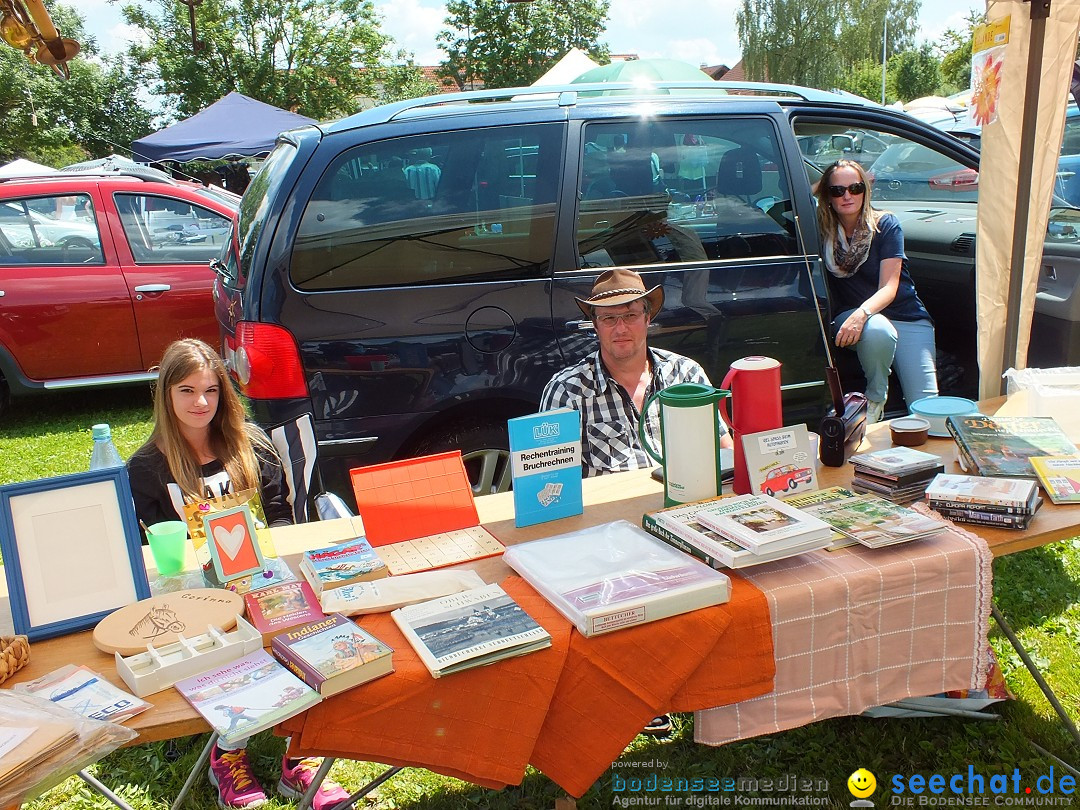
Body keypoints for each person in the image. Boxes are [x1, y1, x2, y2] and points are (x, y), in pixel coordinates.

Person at [126, 339, 348, 810]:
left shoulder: (251, 444)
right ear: (165, 394)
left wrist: (276, 573)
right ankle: (229, 752)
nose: (201, 403)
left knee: (309, 626)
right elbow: (148, 552)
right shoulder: (146, 467)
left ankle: (299, 752)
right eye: (187, 391)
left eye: (211, 390)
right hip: (199, 593)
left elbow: (281, 518)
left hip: (264, 575)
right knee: (228, 636)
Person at [539, 268, 733, 737]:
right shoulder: (568, 388)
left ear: (649, 317)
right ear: (595, 325)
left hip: (686, 513)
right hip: (609, 532)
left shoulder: (686, 374)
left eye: (630, 315)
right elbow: (549, 484)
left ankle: (706, 683)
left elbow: (724, 451)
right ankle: (643, 689)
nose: (620, 328)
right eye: (608, 319)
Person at [814, 159, 938, 424]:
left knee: (928, 409)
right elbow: (780, 210)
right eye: (837, 190)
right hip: (853, 316)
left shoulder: (885, 224)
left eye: (855, 187)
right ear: (827, 195)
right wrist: (820, 185)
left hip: (903, 314)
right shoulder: (821, 229)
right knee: (879, 329)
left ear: (865, 190)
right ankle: (875, 398)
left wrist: (862, 314)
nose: (847, 195)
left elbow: (889, 288)